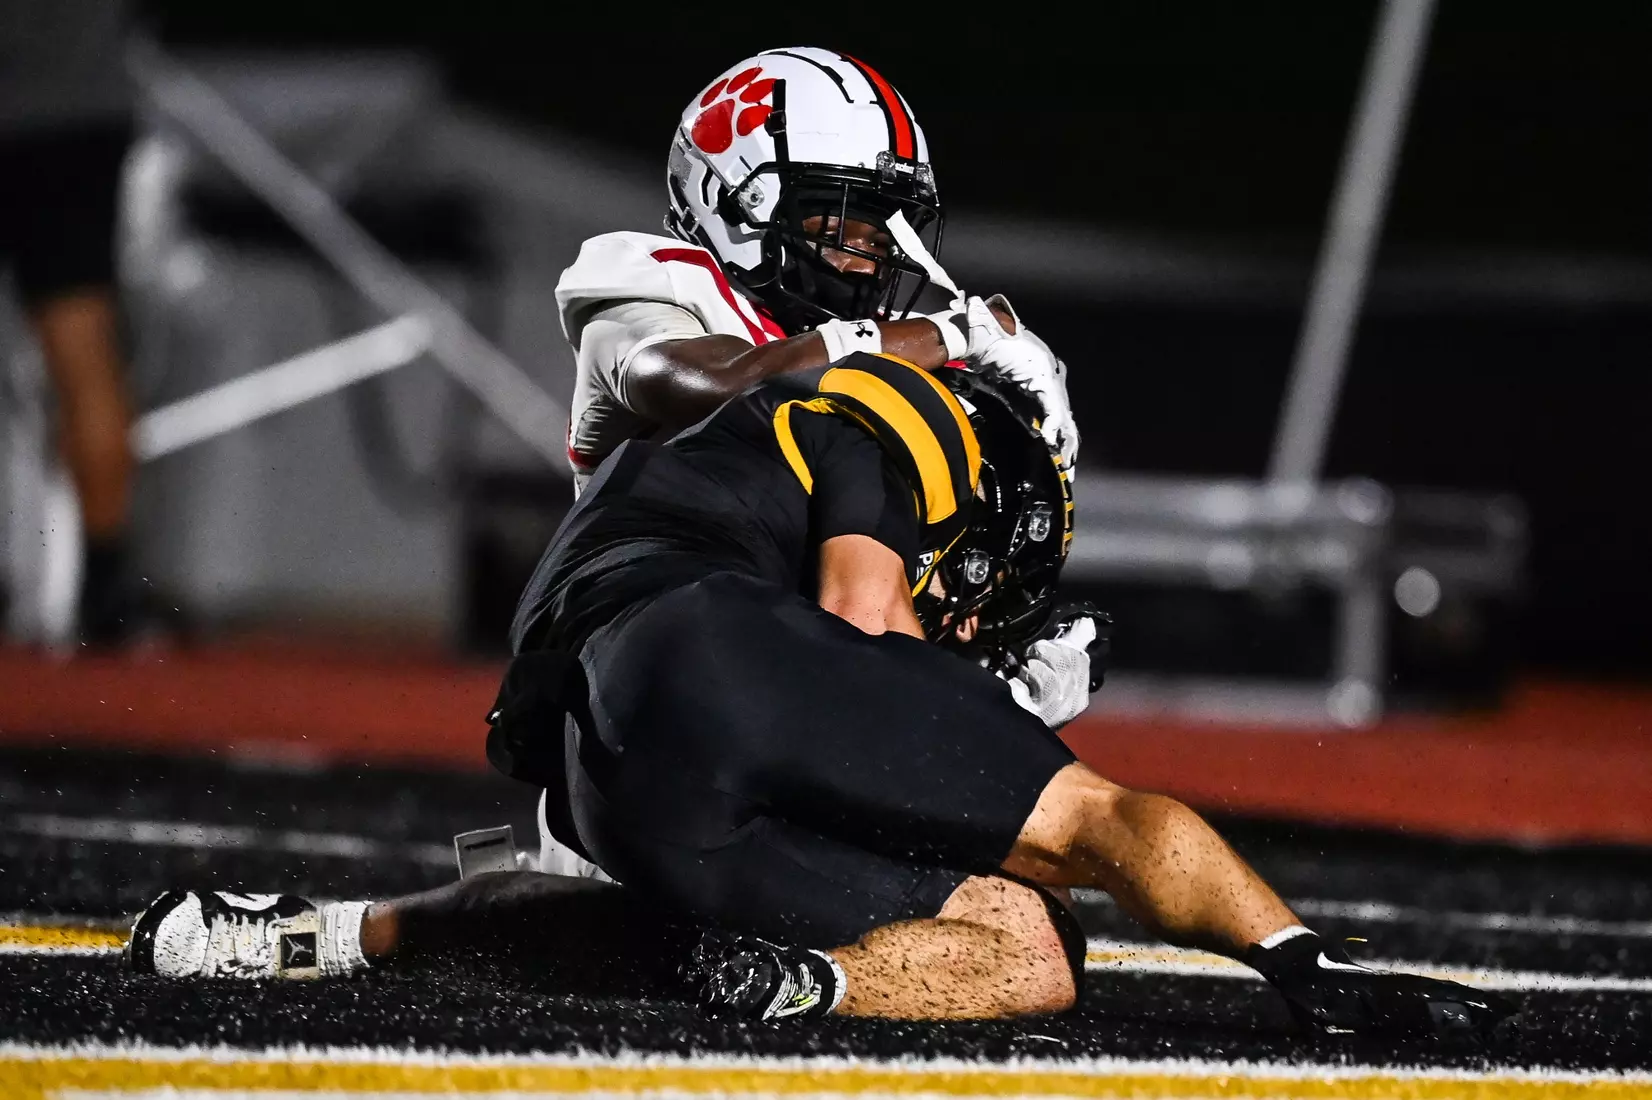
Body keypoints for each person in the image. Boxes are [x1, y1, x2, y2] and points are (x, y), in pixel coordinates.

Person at [125, 357, 1514, 1040]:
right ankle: (1308, 969)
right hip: (706, 656)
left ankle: (317, 933)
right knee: (1078, 835)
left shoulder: (687, 469)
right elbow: (866, 618)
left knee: (1021, 944)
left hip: (598, 757)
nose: (967, 604)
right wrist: (1303, 963)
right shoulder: (863, 427)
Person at [542, 45, 1089, 879]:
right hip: (642, 726)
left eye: (885, 231)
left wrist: (1001, 673)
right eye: (842, 225)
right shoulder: (654, 291)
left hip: (793, 719)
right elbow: (716, 382)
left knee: (1023, 909)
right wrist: (956, 335)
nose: (870, 259)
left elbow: (886, 590)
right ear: (736, 200)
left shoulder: (875, 364)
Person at [0, 0, 155, 646]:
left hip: (62, 105)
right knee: (84, 349)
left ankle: (105, 580)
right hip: (78, 110)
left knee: (83, 352)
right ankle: (105, 583)